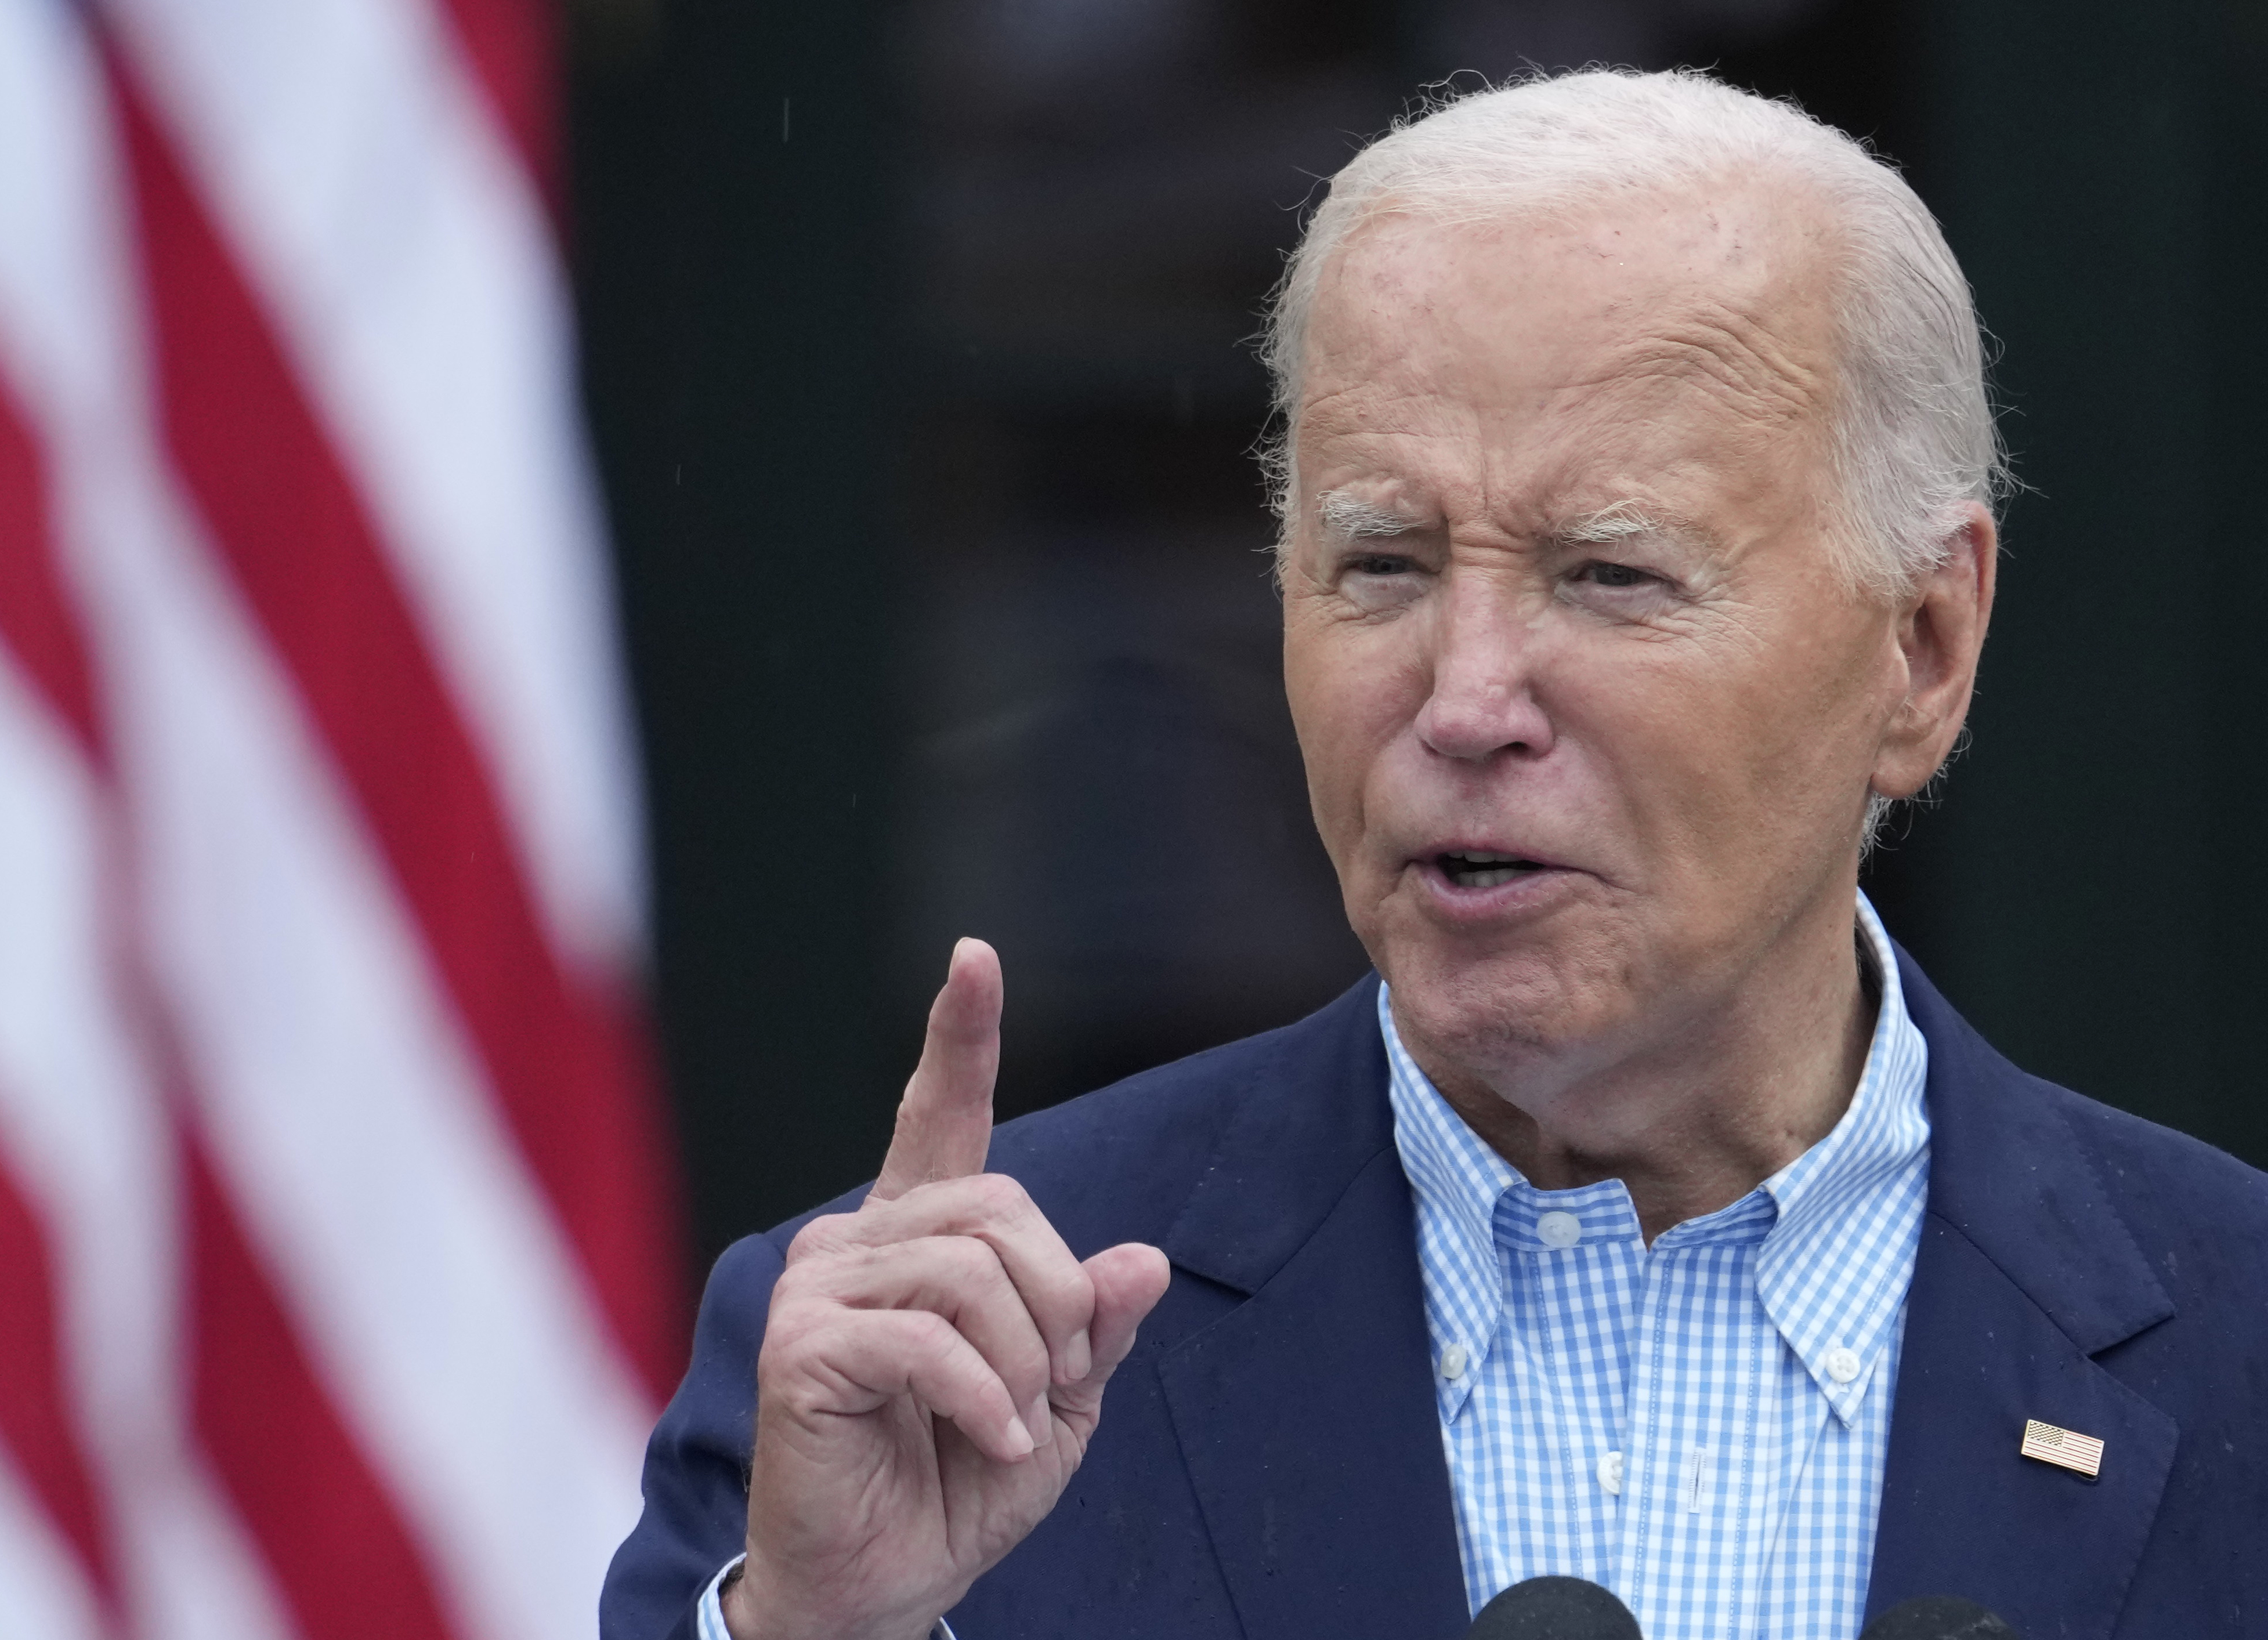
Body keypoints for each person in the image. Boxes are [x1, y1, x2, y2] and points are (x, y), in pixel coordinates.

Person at [601, 68, 2268, 1640]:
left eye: (1609, 574)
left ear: (1918, 649)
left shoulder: (2233, 1354)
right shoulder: (924, 1365)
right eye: (1384, 563)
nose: (1464, 700)